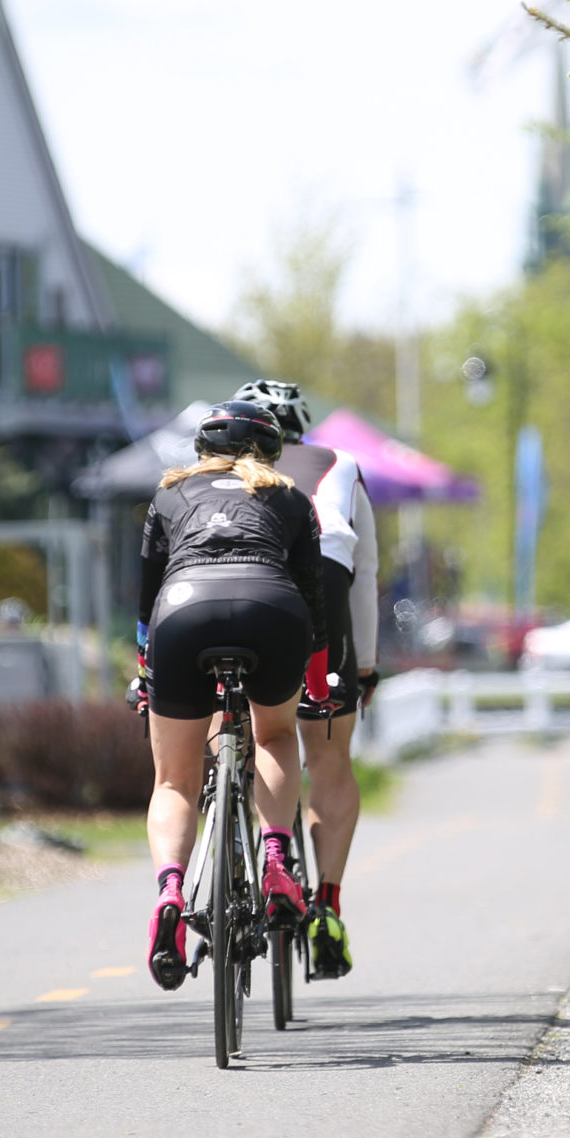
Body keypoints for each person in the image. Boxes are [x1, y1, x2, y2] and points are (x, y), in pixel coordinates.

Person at [134, 400, 326, 989]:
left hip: (183, 610)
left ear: (201, 449)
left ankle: (171, 891)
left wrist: (145, 673)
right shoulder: (291, 498)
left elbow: (144, 600)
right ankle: (277, 861)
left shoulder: (169, 494)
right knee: (274, 735)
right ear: (272, 451)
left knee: (173, 779)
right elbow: (315, 602)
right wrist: (319, 684)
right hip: (271, 608)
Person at [236, 377, 376, 979]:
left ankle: (242, 843)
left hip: (238, 585)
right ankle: (327, 906)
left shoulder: (213, 473)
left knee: (241, 730)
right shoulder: (340, 463)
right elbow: (365, 573)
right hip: (325, 582)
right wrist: (364, 667)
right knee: (329, 758)